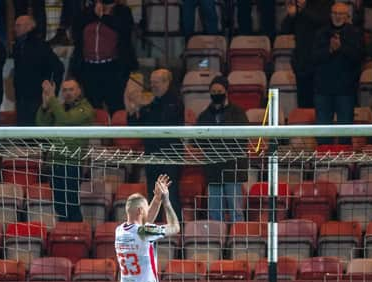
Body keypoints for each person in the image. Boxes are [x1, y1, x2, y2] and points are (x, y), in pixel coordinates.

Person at [127, 69, 183, 223]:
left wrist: (143, 105)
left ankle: (177, 232)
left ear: (166, 82)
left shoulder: (175, 101)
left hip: (170, 156)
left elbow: (164, 121)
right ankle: (153, 230)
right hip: (152, 155)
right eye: (151, 82)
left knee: (171, 196)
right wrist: (133, 111)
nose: (152, 86)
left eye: (156, 82)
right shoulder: (151, 104)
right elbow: (136, 127)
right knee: (153, 196)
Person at [36, 78, 95, 222]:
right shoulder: (60, 108)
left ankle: (77, 236)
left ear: (79, 91)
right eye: (65, 90)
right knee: (59, 206)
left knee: (72, 205)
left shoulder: (85, 109)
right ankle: (64, 237)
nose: (67, 93)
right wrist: (45, 105)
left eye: (71, 89)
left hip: (72, 163)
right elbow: (41, 124)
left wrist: (52, 98)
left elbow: (65, 121)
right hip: (56, 162)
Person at [70, 0, 138, 114]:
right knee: (92, 106)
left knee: (115, 105)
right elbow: (76, 28)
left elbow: (124, 30)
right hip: (89, 67)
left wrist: (103, 16)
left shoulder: (122, 11)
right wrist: (94, 13)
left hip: (113, 67)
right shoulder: (87, 12)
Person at [196, 76, 248, 222]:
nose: (216, 93)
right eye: (213, 91)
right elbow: (197, 140)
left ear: (226, 91)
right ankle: (216, 242)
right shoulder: (204, 115)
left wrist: (215, 141)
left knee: (236, 210)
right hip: (213, 169)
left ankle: (237, 239)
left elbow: (243, 138)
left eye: (219, 90)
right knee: (214, 212)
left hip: (233, 167)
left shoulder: (238, 113)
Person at [312, 2, 362, 144]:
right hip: (323, 89)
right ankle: (324, 161)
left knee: (345, 130)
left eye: (341, 14)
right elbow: (314, 57)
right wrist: (330, 50)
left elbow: (358, 57)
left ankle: (344, 162)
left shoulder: (355, 33)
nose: (337, 16)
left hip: (346, 89)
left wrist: (341, 48)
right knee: (322, 131)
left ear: (347, 16)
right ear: (330, 15)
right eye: (335, 13)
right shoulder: (321, 33)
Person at [13, 15, 65, 126]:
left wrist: (52, 92)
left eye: (18, 25)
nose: (15, 28)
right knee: (24, 134)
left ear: (29, 27)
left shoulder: (40, 45)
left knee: (36, 132)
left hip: (36, 98)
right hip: (22, 98)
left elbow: (58, 67)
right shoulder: (18, 45)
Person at [281, 0, 333, 108]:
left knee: (321, 106)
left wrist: (304, 9)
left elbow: (324, 21)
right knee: (303, 106)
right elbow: (285, 29)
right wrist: (291, 15)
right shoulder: (299, 5)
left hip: (321, 63)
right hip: (302, 63)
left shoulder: (324, 3)